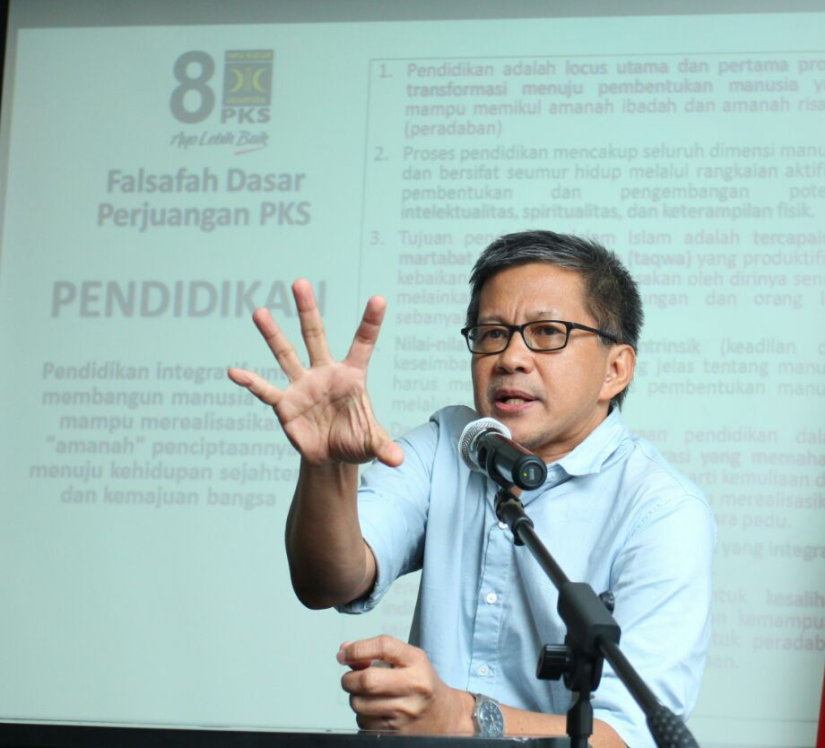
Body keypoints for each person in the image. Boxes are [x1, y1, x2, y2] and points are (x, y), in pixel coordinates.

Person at [228, 231, 715, 747]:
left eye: (547, 332)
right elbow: (329, 581)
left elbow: (631, 737)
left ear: (615, 369)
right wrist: (328, 465)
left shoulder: (663, 512)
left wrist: (463, 718)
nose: (510, 358)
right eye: (492, 334)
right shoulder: (448, 443)